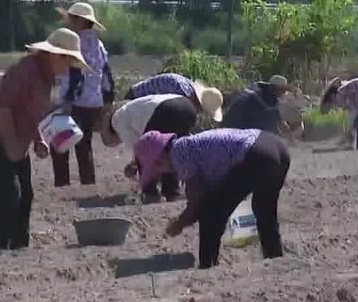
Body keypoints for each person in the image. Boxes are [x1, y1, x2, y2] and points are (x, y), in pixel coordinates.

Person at [0, 28, 90, 253]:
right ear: (56, 55)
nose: (69, 68)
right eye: (69, 61)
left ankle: (18, 247)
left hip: (17, 140)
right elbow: (2, 106)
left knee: (26, 195)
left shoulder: (47, 79)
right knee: (9, 195)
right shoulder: (24, 72)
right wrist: (11, 144)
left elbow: (28, 113)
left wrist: (37, 139)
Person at [134, 128, 290, 269]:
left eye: (156, 168)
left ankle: (208, 267)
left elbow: (198, 200)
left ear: (159, 159)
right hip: (276, 147)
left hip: (255, 154)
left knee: (210, 212)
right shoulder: (190, 144)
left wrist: (180, 223)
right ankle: (275, 261)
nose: (160, 173)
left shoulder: (179, 154)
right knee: (264, 211)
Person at [51, 2, 115, 188]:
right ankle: (88, 183)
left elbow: (77, 73)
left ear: (79, 21)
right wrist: (108, 100)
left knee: (60, 142)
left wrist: (68, 100)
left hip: (76, 102)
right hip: (94, 102)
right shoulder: (99, 44)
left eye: (71, 19)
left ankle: (62, 184)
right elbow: (107, 74)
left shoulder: (74, 42)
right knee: (84, 144)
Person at [98, 94, 199, 202]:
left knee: (151, 153)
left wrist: (134, 165)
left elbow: (140, 148)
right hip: (187, 106)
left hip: (164, 111)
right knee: (175, 150)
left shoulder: (117, 121)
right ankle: (177, 191)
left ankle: (151, 192)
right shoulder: (132, 108)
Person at [125, 72, 224, 122]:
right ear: (200, 105)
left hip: (139, 100)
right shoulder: (180, 98)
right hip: (133, 100)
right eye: (203, 111)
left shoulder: (188, 88)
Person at [222, 75, 299, 135]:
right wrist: (291, 136)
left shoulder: (257, 90)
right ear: (275, 88)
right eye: (282, 90)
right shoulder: (269, 98)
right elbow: (280, 124)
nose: (283, 93)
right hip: (240, 129)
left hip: (227, 125)